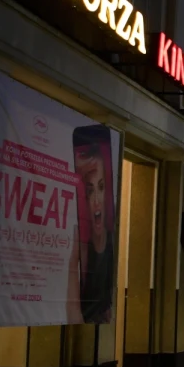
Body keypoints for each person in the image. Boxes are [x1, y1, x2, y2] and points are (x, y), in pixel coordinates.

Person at [70, 126, 116, 324]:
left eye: (101, 187)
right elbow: (73, 311)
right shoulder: (80, 244)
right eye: (89, 191)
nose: (97, 200)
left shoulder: (113, 241)